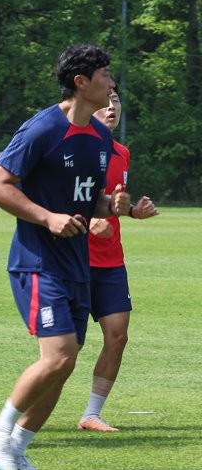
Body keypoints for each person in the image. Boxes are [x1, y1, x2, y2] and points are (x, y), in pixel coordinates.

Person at [0, 44, 130, 470]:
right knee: (60, 355)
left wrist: (114, 205)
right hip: (36, 261)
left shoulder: (102, 137)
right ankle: (1, 429)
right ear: (81, 83)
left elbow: (89, 202)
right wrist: (47, 217)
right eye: (104, 75)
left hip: (76, 266)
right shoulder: (42, 129)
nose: (111, 83)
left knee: (62, 366)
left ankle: (18, 448)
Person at [78, 88, 158, 432]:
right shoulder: (73, 148)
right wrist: (86, 223)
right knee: (67, 345)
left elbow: (111, 205)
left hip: (110, 262)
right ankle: (27, 413)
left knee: (118, 335)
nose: (111, 107)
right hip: (74, 260)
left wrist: (134, 213)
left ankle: (92, 414)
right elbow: (57, 199)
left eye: (117, 101)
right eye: (105, 101)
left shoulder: (121, 153)